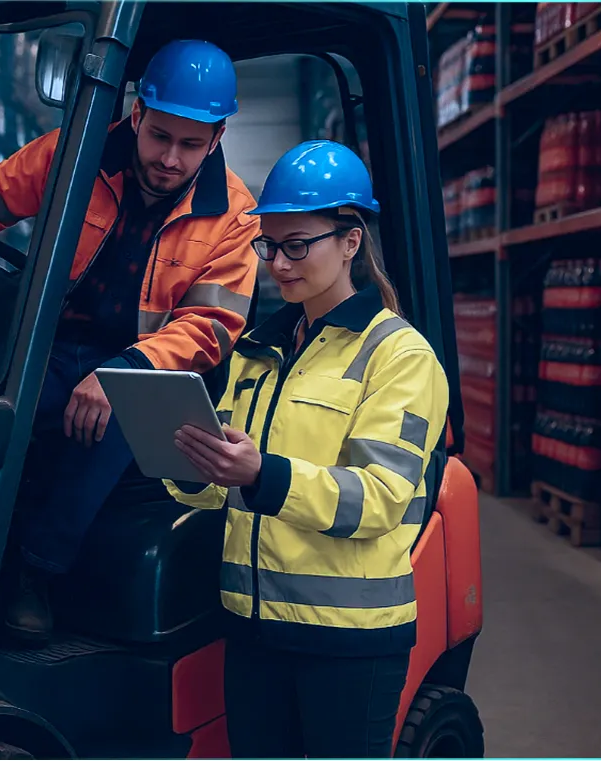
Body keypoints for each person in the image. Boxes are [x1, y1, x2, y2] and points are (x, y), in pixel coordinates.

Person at [0, 40, 261, 642]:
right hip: (45, 345)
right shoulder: (69, 155)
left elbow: (210, 327)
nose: (170, 158)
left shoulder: (234, 217)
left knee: (109, 431)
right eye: (160, 136)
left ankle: (36, 575)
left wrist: (125, 369)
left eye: (191, 144)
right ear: (137, 114)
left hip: (146, 366)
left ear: (215, 139)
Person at [165, 140, 450, 759]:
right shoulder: (258, 351)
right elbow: (223, 486)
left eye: (298, 245)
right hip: (252, 631)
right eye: (269, 246)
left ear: (351, 242)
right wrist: (183, 459)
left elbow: (378, 499)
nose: (279, 264)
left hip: (348, 643)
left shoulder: (399, 357)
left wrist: (263, 473)